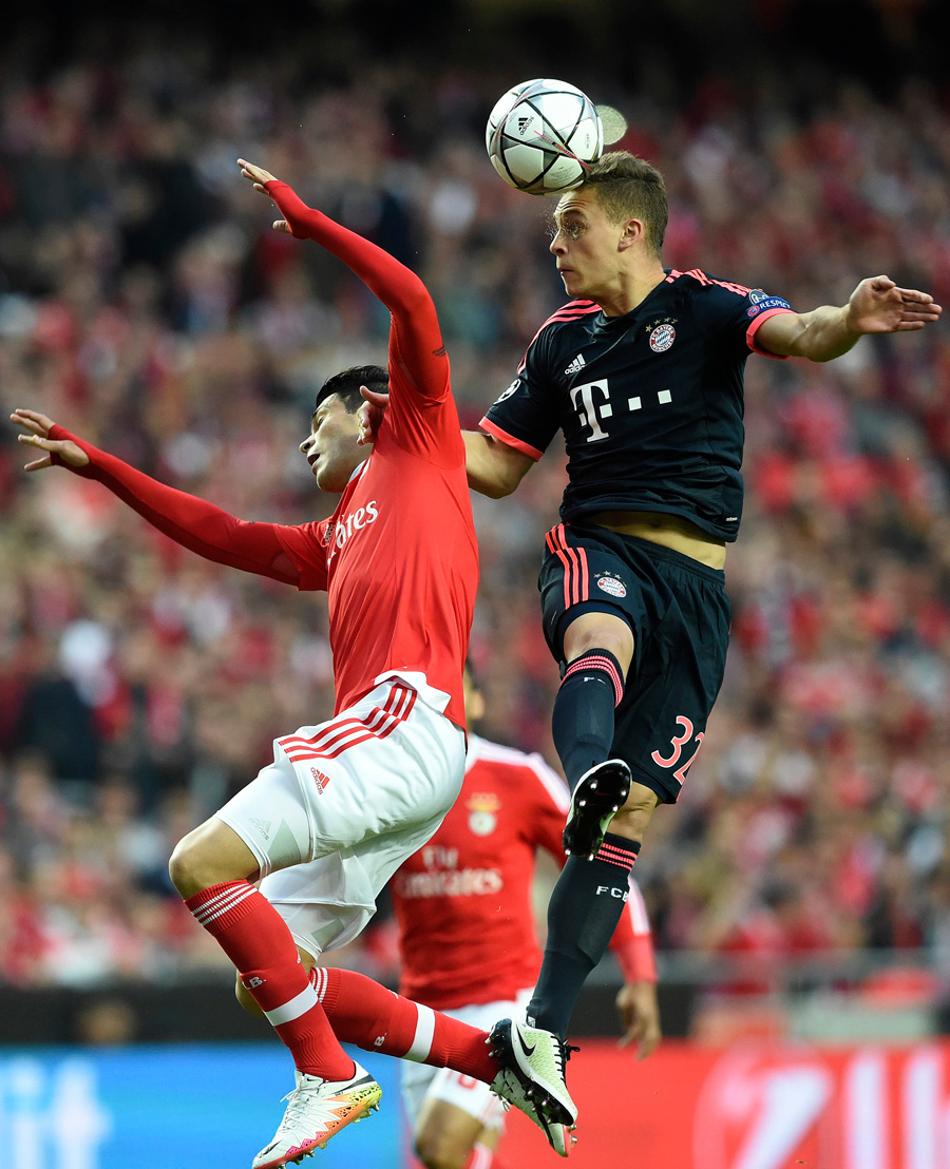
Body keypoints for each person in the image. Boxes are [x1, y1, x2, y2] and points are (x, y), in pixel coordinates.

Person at [359, 149, 943, 1124]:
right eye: (553, 230)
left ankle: (535, 1029)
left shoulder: (707, 309)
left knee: (623, 831)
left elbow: (798, 332)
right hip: (598, 544)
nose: (554, 244)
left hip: (699, 591)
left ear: (629, 230)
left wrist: (848, 320)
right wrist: (410, 435)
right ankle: (583, 768)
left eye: (570, 226)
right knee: (598, 635)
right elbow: (497, 465)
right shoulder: (559, 343)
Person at [9, 160, 570, 1168]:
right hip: (407, 757)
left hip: (402, 719)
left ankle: (328, 1073)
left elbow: (412, 298)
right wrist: (108, 468)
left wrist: (311, 224)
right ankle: (494, 1058)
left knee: (198, 862)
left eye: (314, 420)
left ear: (363, 408)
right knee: (272, 967)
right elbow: (224, 533)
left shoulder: (416, 439)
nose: (302, 441)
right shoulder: (337, 535)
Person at [393, 664, 659, 1169]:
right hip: (422, 1010)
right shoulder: (393, 790)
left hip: (502, 1002)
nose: (439, 707)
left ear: (477, 703)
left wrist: (639, 970)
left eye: (452, 692)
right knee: (449, 1159)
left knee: (438, 1143)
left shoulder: (518, 777)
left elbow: (602, 861)